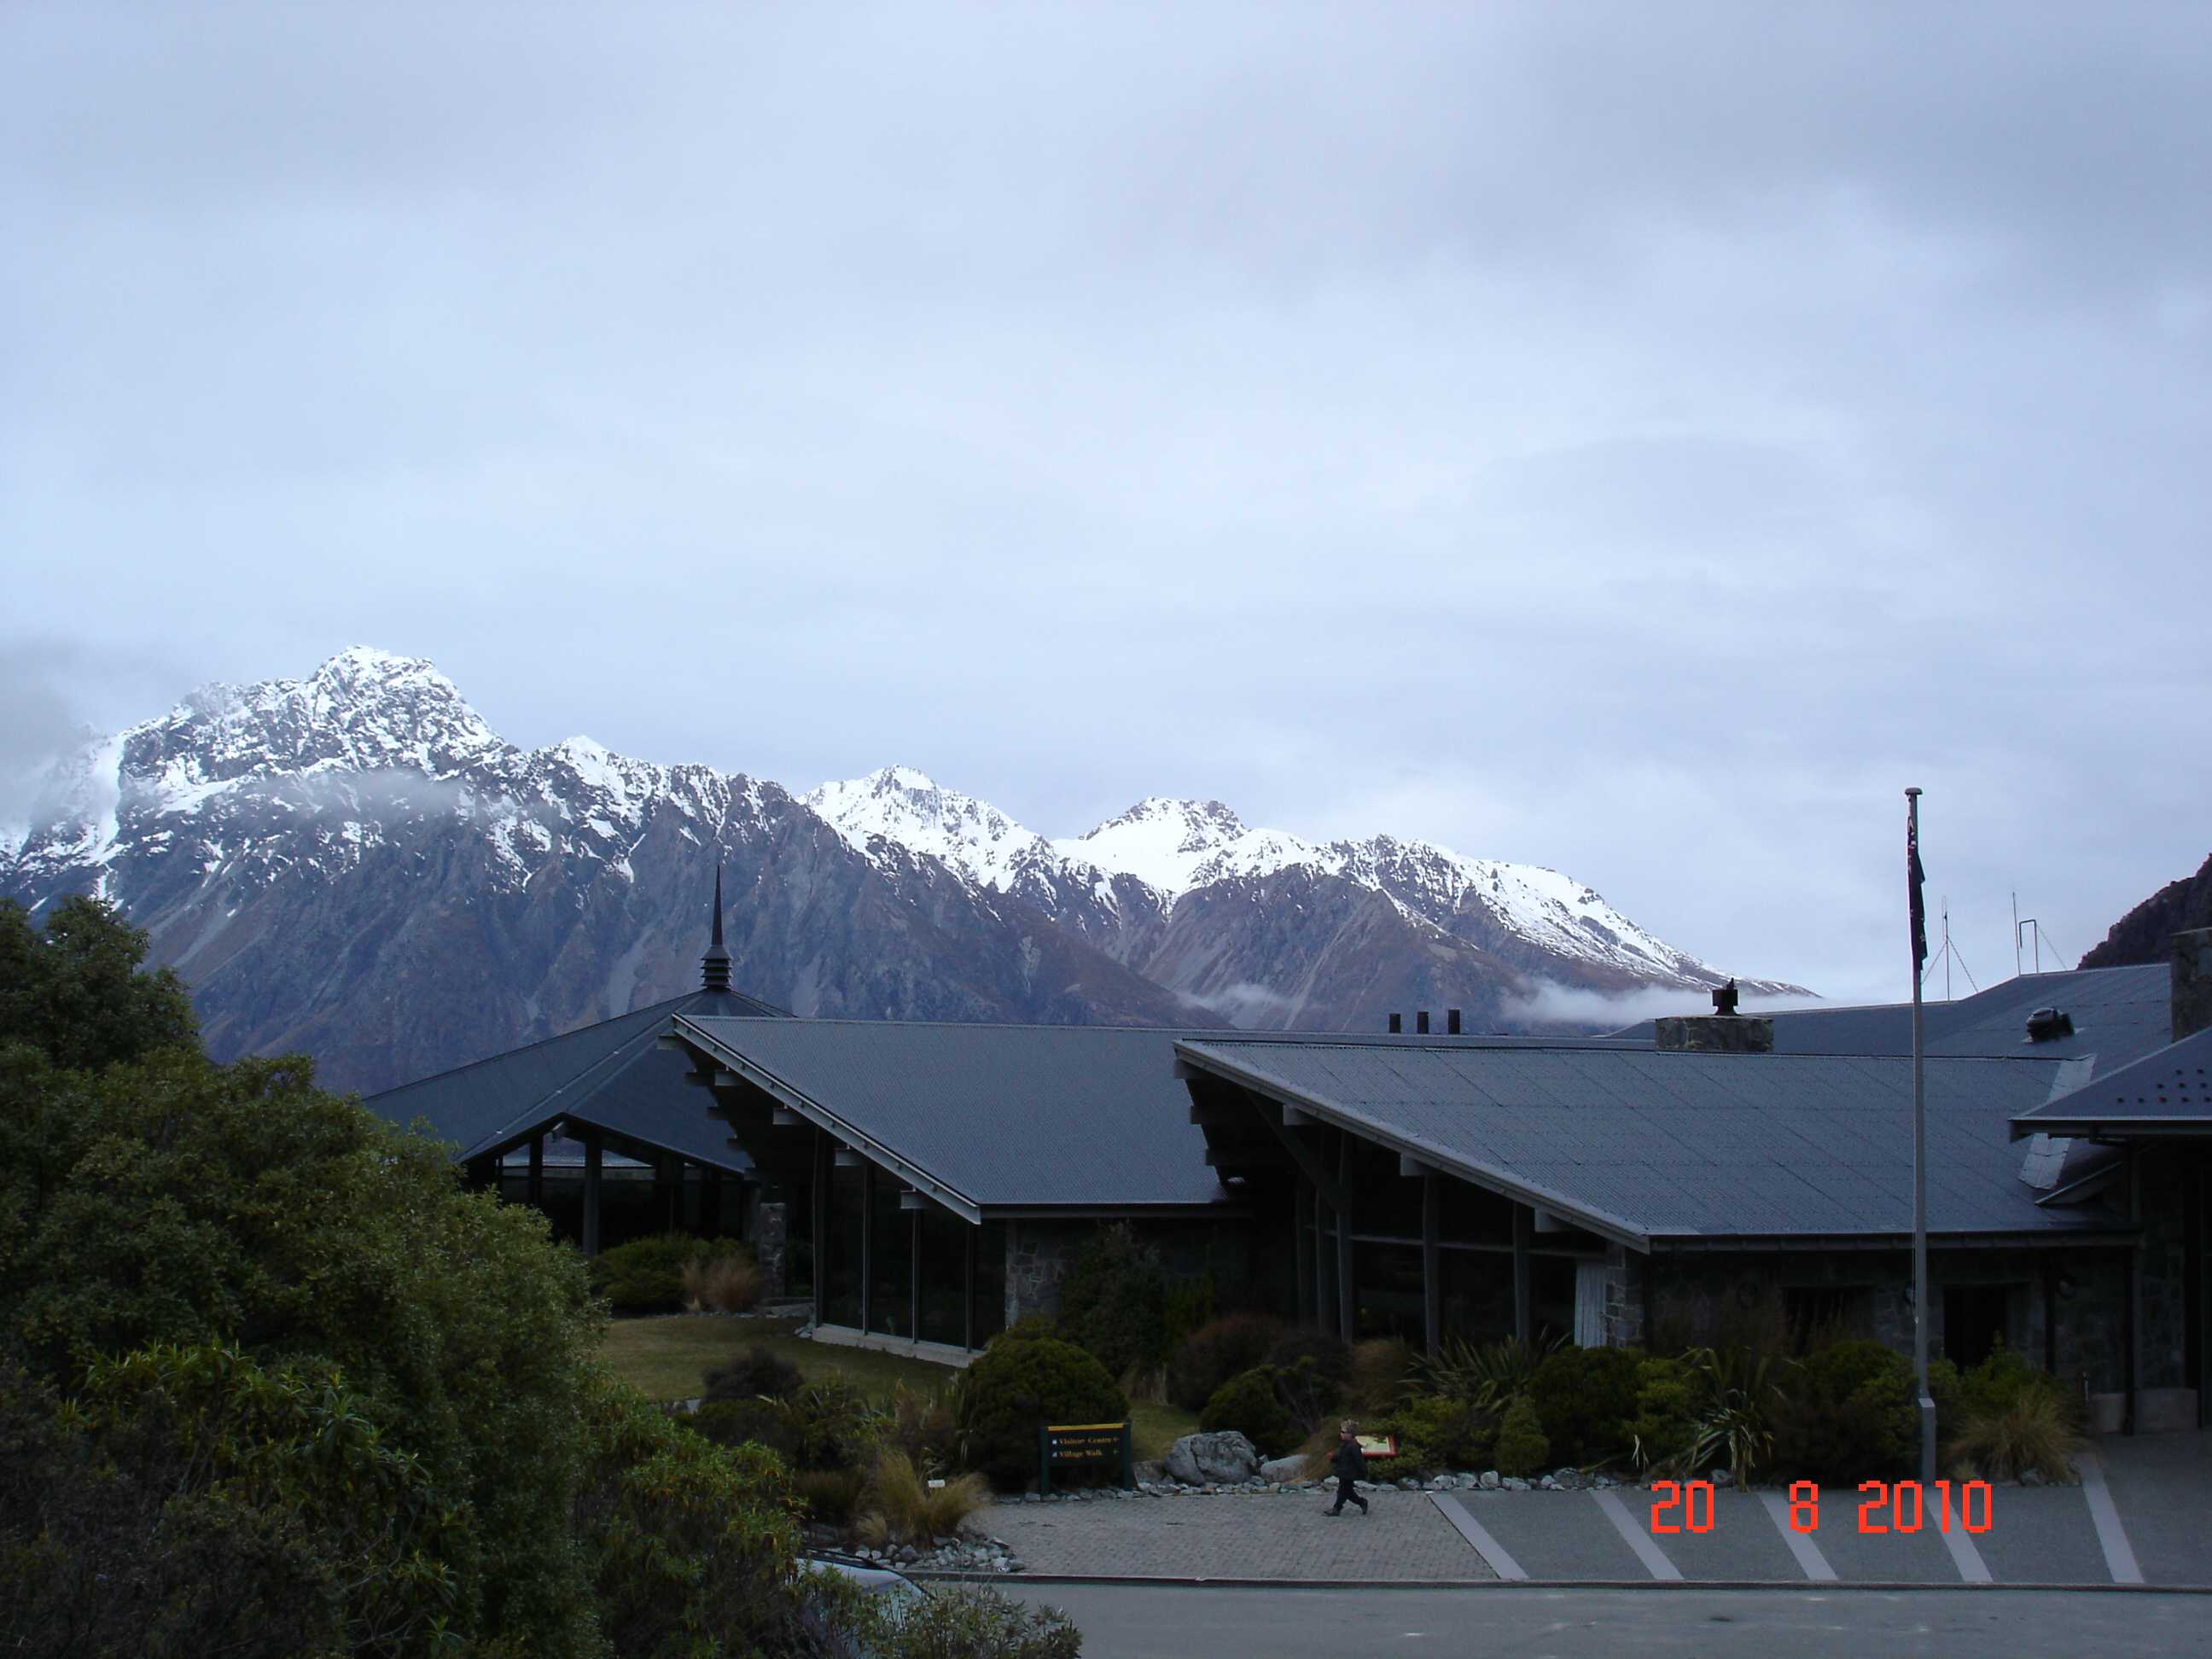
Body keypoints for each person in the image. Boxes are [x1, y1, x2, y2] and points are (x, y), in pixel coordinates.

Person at [1324, 1418, 1370, 1516]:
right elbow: (1341, 1458)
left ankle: (1337, 1508)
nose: (1341, 1433)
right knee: (1347, 1492)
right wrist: (1333, 1458)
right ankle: (1361, 1502)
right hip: (1344, 1472)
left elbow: (1359, 1461)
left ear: (1350, 1434)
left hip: (1349, 1473)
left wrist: (1364, 1472)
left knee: (1343, 1491)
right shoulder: (1345, 1444)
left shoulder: (1353, 1446)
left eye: (1343, 1432)